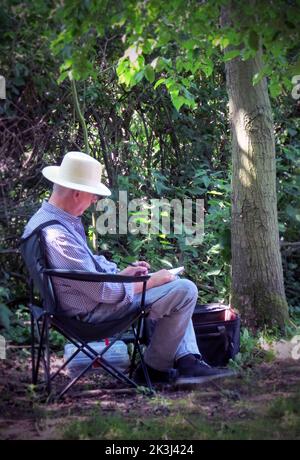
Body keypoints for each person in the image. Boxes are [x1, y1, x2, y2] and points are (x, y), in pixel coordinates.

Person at [22, 151, 233, 385]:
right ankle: (156, 370)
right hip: (90, 315)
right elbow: (102, 291)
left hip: (90, 303)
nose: (94, 201)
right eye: (93, 195)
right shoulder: (56, 235)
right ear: (76, 193)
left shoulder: (53, 221)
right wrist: (150, 283)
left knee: (173, 284)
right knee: (184, 290)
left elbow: (88, 271)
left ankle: (186, 360)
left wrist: (123, 275)